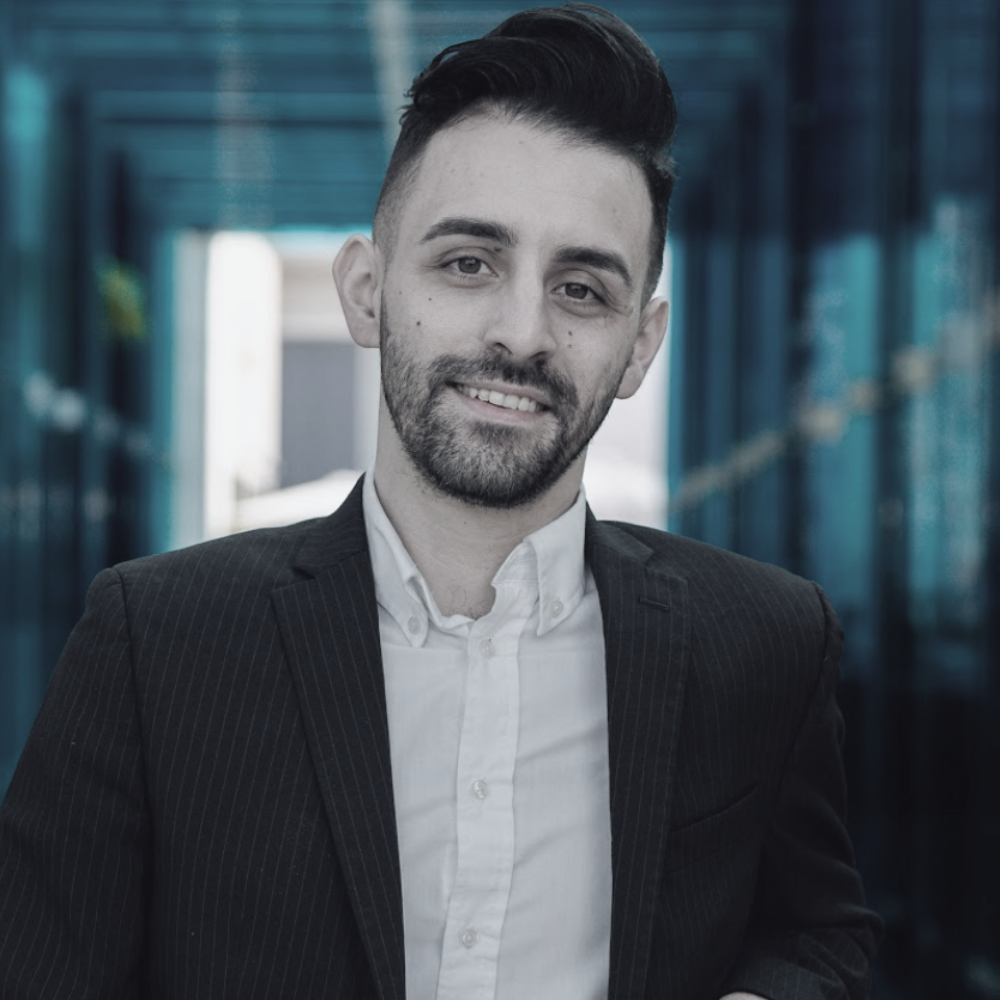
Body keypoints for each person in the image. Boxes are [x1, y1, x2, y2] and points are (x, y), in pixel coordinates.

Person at [0, 4, 882, 999]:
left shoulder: (763, 640)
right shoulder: (153, 641)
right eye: (468, 263)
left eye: (582, 288)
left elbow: (817, 932)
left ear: (640, 344)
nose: (520, 332)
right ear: (366, 289)